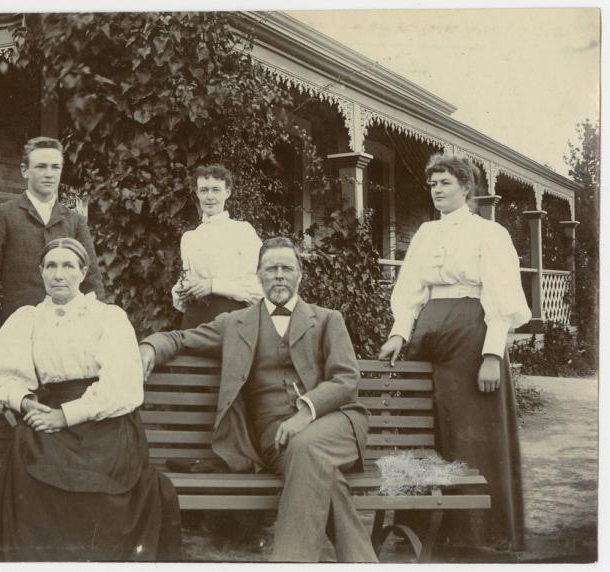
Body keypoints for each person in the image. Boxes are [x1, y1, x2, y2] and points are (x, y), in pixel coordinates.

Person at [141, 237, 378, 562]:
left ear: (299, 275)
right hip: (274, 439)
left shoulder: (326, 319)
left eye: (286, 268)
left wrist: (305, 412)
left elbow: (347, 379)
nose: (279, 275)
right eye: (271, 269)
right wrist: (150, 347)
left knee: (306, 447)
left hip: (336, 424)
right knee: (323, 475)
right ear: (259, 275)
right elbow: (181, 338)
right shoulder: (236, 323)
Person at [0, 238, 180, 561]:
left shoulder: (108, 317)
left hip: (105, 420)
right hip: (48, 412)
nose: (59, 274)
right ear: (40, 273)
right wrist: (25, 401)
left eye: (68, 266)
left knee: (105, 488)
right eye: (51, 266)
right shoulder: (28, 318)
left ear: (83, 272)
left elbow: (123, 386)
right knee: (33, 471)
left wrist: (66, 415)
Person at [378, 154, 531, 553]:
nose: (438, 190)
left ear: (466, 187)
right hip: (427, 330)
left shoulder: (489, 234)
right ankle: (418, 527)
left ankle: (476, 534)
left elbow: (500, 294)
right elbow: (410, 289)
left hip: (472, 328)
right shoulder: (426, 234)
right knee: (424, 424)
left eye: (445, 182)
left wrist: (493, 353)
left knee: (470, 431)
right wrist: (399, 333)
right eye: (433, 184)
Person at [0, 136, 105, 355]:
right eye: (41, 167)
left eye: (55, 167)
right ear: (25, 171)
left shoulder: (74, 220)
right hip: (17, 335)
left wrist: (95, 330)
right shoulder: (2, 216)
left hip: (68, 338)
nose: (49, 174)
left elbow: (92, 282)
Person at [172, 164, 263, 328]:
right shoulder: (190, 238)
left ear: (228, 192)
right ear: (197, 193)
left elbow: (257, 287)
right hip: (195, 320)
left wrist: (213, 285)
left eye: (216, 190)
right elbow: (186, 280)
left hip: (232, 319)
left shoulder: (243, 231)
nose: (209, 196)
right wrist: (182, 290)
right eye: (204, 190)